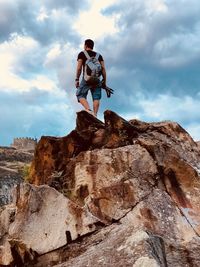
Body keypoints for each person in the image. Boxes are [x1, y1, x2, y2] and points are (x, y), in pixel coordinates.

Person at [75, 39, 107, 117]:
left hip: (86, 79)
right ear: (92, 46)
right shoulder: (99, 56)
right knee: (96, 97)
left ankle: (88, 110)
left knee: (80, 95)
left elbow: (79, 68)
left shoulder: (82, 54)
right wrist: (104, 81)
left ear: (85, 45)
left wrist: (77, 79)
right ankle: (95, 115)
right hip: (97, 79)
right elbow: (103, 69)